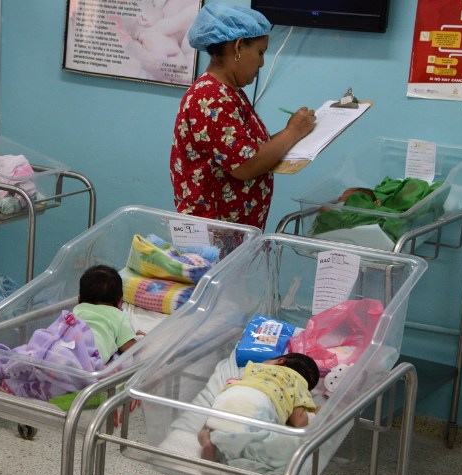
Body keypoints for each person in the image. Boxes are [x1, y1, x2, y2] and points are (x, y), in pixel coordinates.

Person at [170, 3, 317, 231]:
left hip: (234, 231)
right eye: (260, 52)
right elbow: (246, 165)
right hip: (212, 233)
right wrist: (292, 132)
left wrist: (297, 133)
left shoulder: (229, 92)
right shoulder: (209, 97)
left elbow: (250, 150)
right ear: (238, 46)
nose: (261, 63)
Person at [198, 353, 319, 461]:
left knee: (207, 429)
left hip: (231, 394)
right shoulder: (299, 384)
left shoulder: (258, 368)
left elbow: (236, 379)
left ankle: (207, 440)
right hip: (260, 405)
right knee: (257, 442)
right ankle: (234, 455)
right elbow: (298, 421)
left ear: (280, 361)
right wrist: (315, 414)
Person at [73, 264, 140, 364]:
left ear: (79, 299)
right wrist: (138, 339)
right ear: (119, 301)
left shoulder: (77, 310)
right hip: (87, 358)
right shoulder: (118, 316)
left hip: (64, 347)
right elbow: (128, 347)